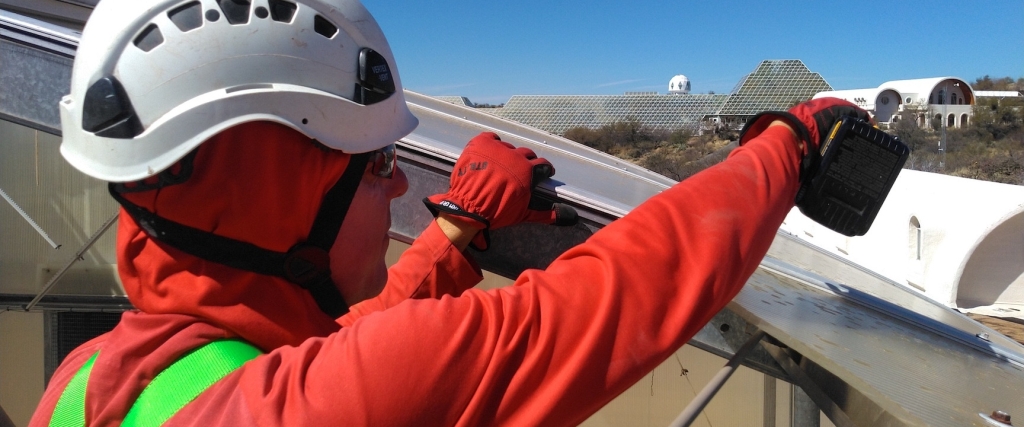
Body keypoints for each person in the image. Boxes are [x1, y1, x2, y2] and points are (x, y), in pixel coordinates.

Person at [31, 0, 871, 425]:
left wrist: (456, 231)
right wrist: (786, 146)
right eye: (376, 165)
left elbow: (336, 359)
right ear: (280, 196)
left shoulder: (87, 381)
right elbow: (618, 289)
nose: (399, 189)